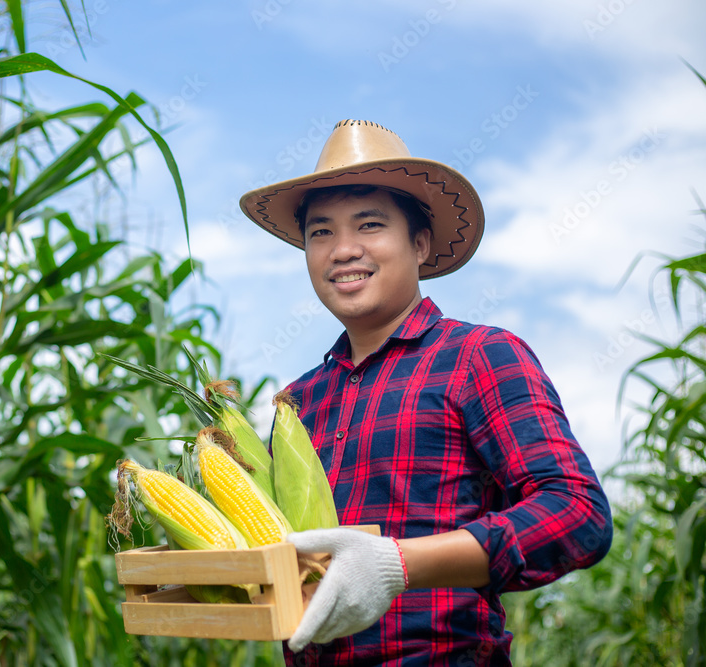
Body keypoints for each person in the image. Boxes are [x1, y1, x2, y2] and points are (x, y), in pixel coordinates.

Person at [239, 120, 613, 665]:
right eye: (321, 232)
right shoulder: (297, 404)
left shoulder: (479, 357)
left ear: (419, 243)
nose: (342, 250)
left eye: (369, 225)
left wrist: (397, 564)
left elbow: (577, 513)